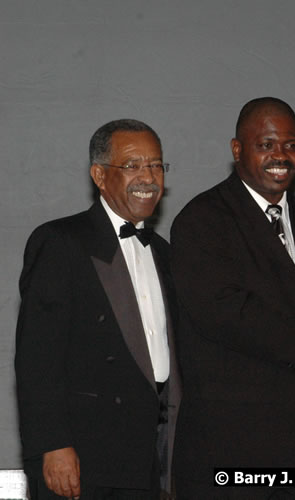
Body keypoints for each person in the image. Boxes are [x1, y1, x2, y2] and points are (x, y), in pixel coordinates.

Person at [170, 97, 295, 499]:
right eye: (267, 144)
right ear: (237, 149)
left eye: (291, 145)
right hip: (230, 451)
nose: (281, 156)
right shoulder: (201, 220)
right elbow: (224, 311)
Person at [15, 119, 181, 499]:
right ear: (100, 175)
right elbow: (37, 358)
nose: (148, 177)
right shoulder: (60, 242)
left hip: (148, 458)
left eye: (156, 165)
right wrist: (52, 445)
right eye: (133, 165)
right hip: (84, 456)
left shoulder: (165, 254)